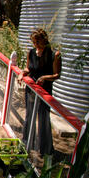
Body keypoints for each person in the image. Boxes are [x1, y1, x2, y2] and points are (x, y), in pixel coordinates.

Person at [17, 28, 61, 156]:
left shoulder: (54, 55)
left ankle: (45, 149)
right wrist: (22, 73)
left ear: (44, 40)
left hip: (45, 91)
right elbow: (28, 67)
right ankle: (26, 144)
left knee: (43, 117)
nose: (35, 45)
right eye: (33, 42)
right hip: (31, 89)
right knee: (29, 115)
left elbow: (56, 74)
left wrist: (45, 78)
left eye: (37, 42)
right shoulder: (31, 52)